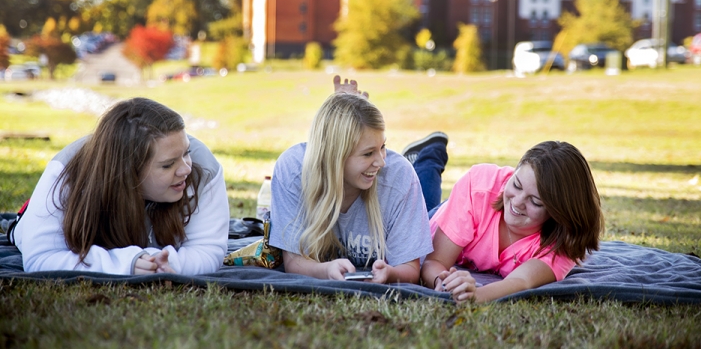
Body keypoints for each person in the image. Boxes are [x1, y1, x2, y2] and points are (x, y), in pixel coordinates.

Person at [13, 97, 230, 275]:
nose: (186, 169)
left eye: (186, 153)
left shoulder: (205, 169)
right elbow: (40, 258)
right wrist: (125, 264)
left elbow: (208, 250)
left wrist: (161, 265)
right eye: (167, 165)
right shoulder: (66, 173)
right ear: (128, 172)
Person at [269, 88, 433, 284]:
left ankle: (429, 158)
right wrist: (326, 270)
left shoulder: (399, 177)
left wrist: (391, 274)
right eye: (368, 153)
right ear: (335, 156)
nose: (381, 162)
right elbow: (294, 262)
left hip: (407, 193)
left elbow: (410, 268)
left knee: (432, 206)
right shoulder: (293, 171)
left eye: (383, 147)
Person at [419, 140, 605, 303]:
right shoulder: (478, 188)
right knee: (421, 199)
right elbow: (433, 262)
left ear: (558, 213)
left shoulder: (564, 243)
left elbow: (520, 282)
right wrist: (442, 283)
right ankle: (429, 154)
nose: (517, 202)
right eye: (516, 184)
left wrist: (473, 294)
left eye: (535, 201)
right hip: (439, 217)